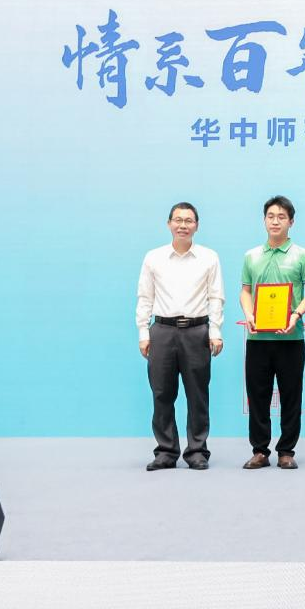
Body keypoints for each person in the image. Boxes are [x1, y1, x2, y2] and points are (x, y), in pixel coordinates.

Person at [136, 202, 225, 471]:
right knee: (162, 393)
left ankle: (197, 451)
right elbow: (145, 296)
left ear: (196, 225)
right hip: (162, 331)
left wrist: (215, 331)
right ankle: (166, 451)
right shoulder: (154, 258)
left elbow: (216, 297)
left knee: (198, 394)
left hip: (197, 331)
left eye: (188, 221)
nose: (182, 225)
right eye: (178, 220)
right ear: (169, 224)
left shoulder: (209, 257)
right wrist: (143, 332)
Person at [239, 195, 305, 470]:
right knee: (258, 395)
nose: (275, 221)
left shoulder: (302, 255)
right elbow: (245, 291)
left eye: (281, 217)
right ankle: (260, 451)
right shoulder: (251, 256)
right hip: (258, 338)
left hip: (291, 338)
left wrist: (296, 314)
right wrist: (249, 314)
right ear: (264, 220)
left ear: (291, 222)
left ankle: (286, 451)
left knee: (291, 395)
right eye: (271, 216)